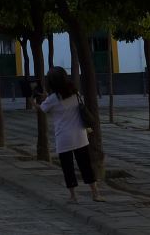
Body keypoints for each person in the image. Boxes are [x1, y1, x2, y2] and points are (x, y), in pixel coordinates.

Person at [37, 66, 105, 203]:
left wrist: (35, 103)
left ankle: (73, 196)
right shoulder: (75, 93)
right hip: (80, 136)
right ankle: (95, 193)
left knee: (68, 168)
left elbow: (43, 109)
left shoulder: (52, 99)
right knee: (85, 165)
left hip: (63, 138)